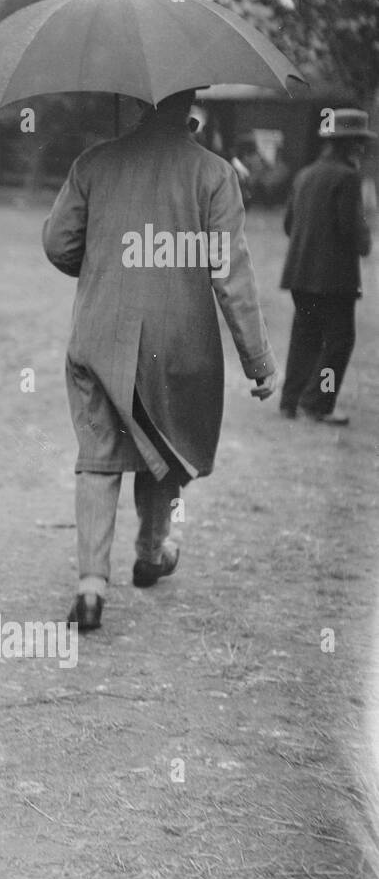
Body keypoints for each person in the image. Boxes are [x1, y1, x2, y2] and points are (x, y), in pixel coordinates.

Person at [43, 88, 278, 632]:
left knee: (98, 453)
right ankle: (151, 552)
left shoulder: (94, 163)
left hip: (99, 331)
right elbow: (230, 274)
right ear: (190, 105)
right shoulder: (214, 174)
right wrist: (258, 359)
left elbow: (58, 244)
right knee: (164, 440)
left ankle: (91, 586)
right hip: (178, 342)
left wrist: (101, 261)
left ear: (138, 104)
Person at [278, 108, 374, 426]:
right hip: (335, 279)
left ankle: (291, 400)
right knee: (338, 341)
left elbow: (289, 224)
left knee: (305, 336)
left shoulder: (304, 174)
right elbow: (351, 229)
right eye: (359, 142)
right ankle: (319, 402)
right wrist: (365, 240)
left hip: (300, 273)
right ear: (349, 144)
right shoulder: (348, 177)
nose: (362, 148)